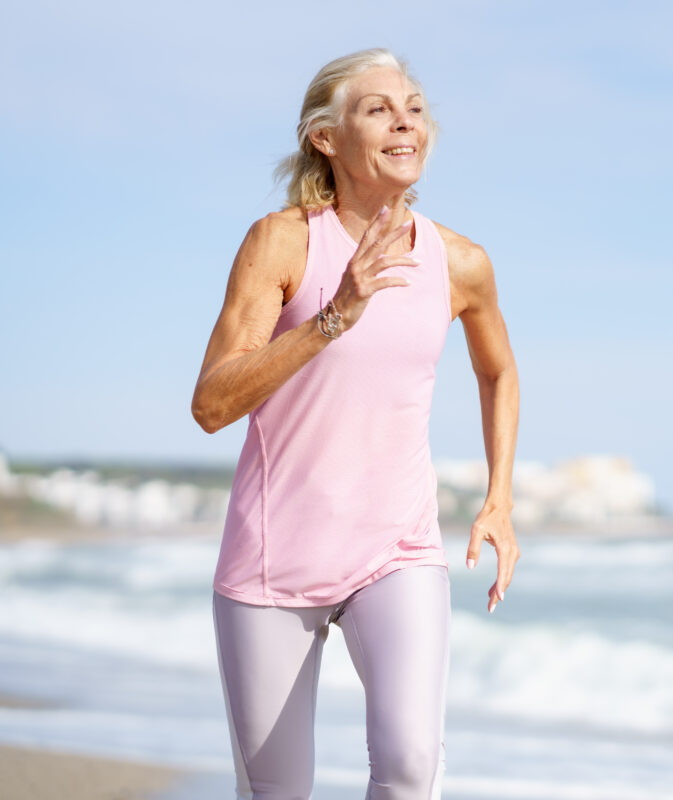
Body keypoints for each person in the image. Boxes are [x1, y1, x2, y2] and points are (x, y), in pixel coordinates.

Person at [190, 48, 520, 800]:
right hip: (274, 561)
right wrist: (334, 314)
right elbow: (211, 405)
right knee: (277, 793)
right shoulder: (283, 242)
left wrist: (499, 497)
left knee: (409, 767)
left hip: (396, 550)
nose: (405, 119)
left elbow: (498, 371)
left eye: (413, 106)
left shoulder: (460, 262)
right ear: (326, 139)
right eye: (378, 108)